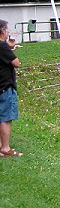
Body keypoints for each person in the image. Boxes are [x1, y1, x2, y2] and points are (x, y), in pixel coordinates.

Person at [0, 19, 22, 157]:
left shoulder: (3, 47)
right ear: (2, 31)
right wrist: (10, 50)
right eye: (7, 29)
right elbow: (16, 63)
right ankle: (5, 148)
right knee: (6, 118)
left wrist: (10, 48)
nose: (8, 32)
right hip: (5, 85)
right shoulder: (2, 46)